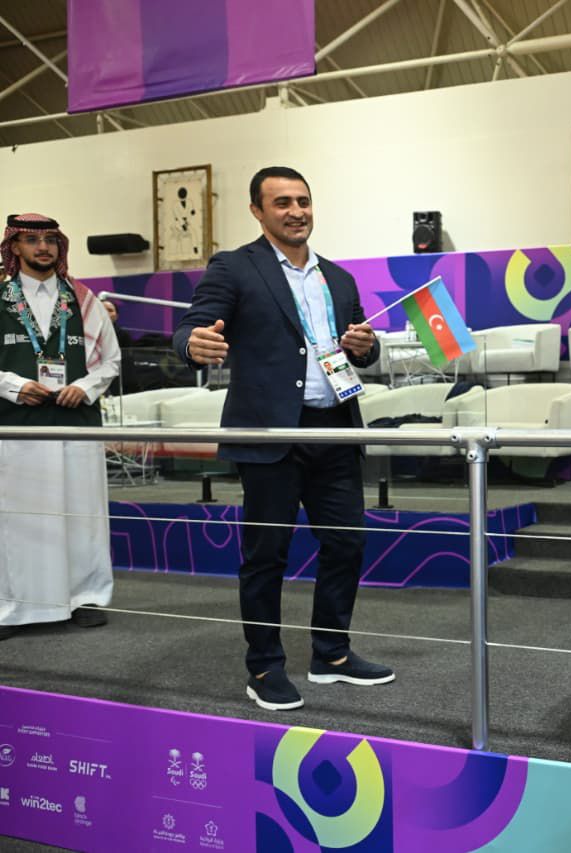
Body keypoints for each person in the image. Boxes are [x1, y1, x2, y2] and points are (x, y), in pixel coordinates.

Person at [173, 166, 393, 711]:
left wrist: (366, 347)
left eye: (303, 201)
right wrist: (192, 345)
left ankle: (331, 654)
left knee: (346, 544)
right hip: (271, 433)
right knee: (266, 555)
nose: (296, 211)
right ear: (257, 211)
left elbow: (361, 346)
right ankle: (265, 666)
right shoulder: (233, 267)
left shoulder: (338, 277)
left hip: (334, 429)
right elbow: (191, 327)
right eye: (282, 203)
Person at [0, 213, 120, 641]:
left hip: (76, 426)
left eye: (51, 239)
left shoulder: (83, 299)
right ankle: (10, 606)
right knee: (15, 521)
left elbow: (110, 360)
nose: (43, 247)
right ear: (15, 246)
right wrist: (13, 386)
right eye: (32, 240)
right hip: (14, 430)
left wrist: (84, 387)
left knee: (82, 516)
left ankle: (85, 597)